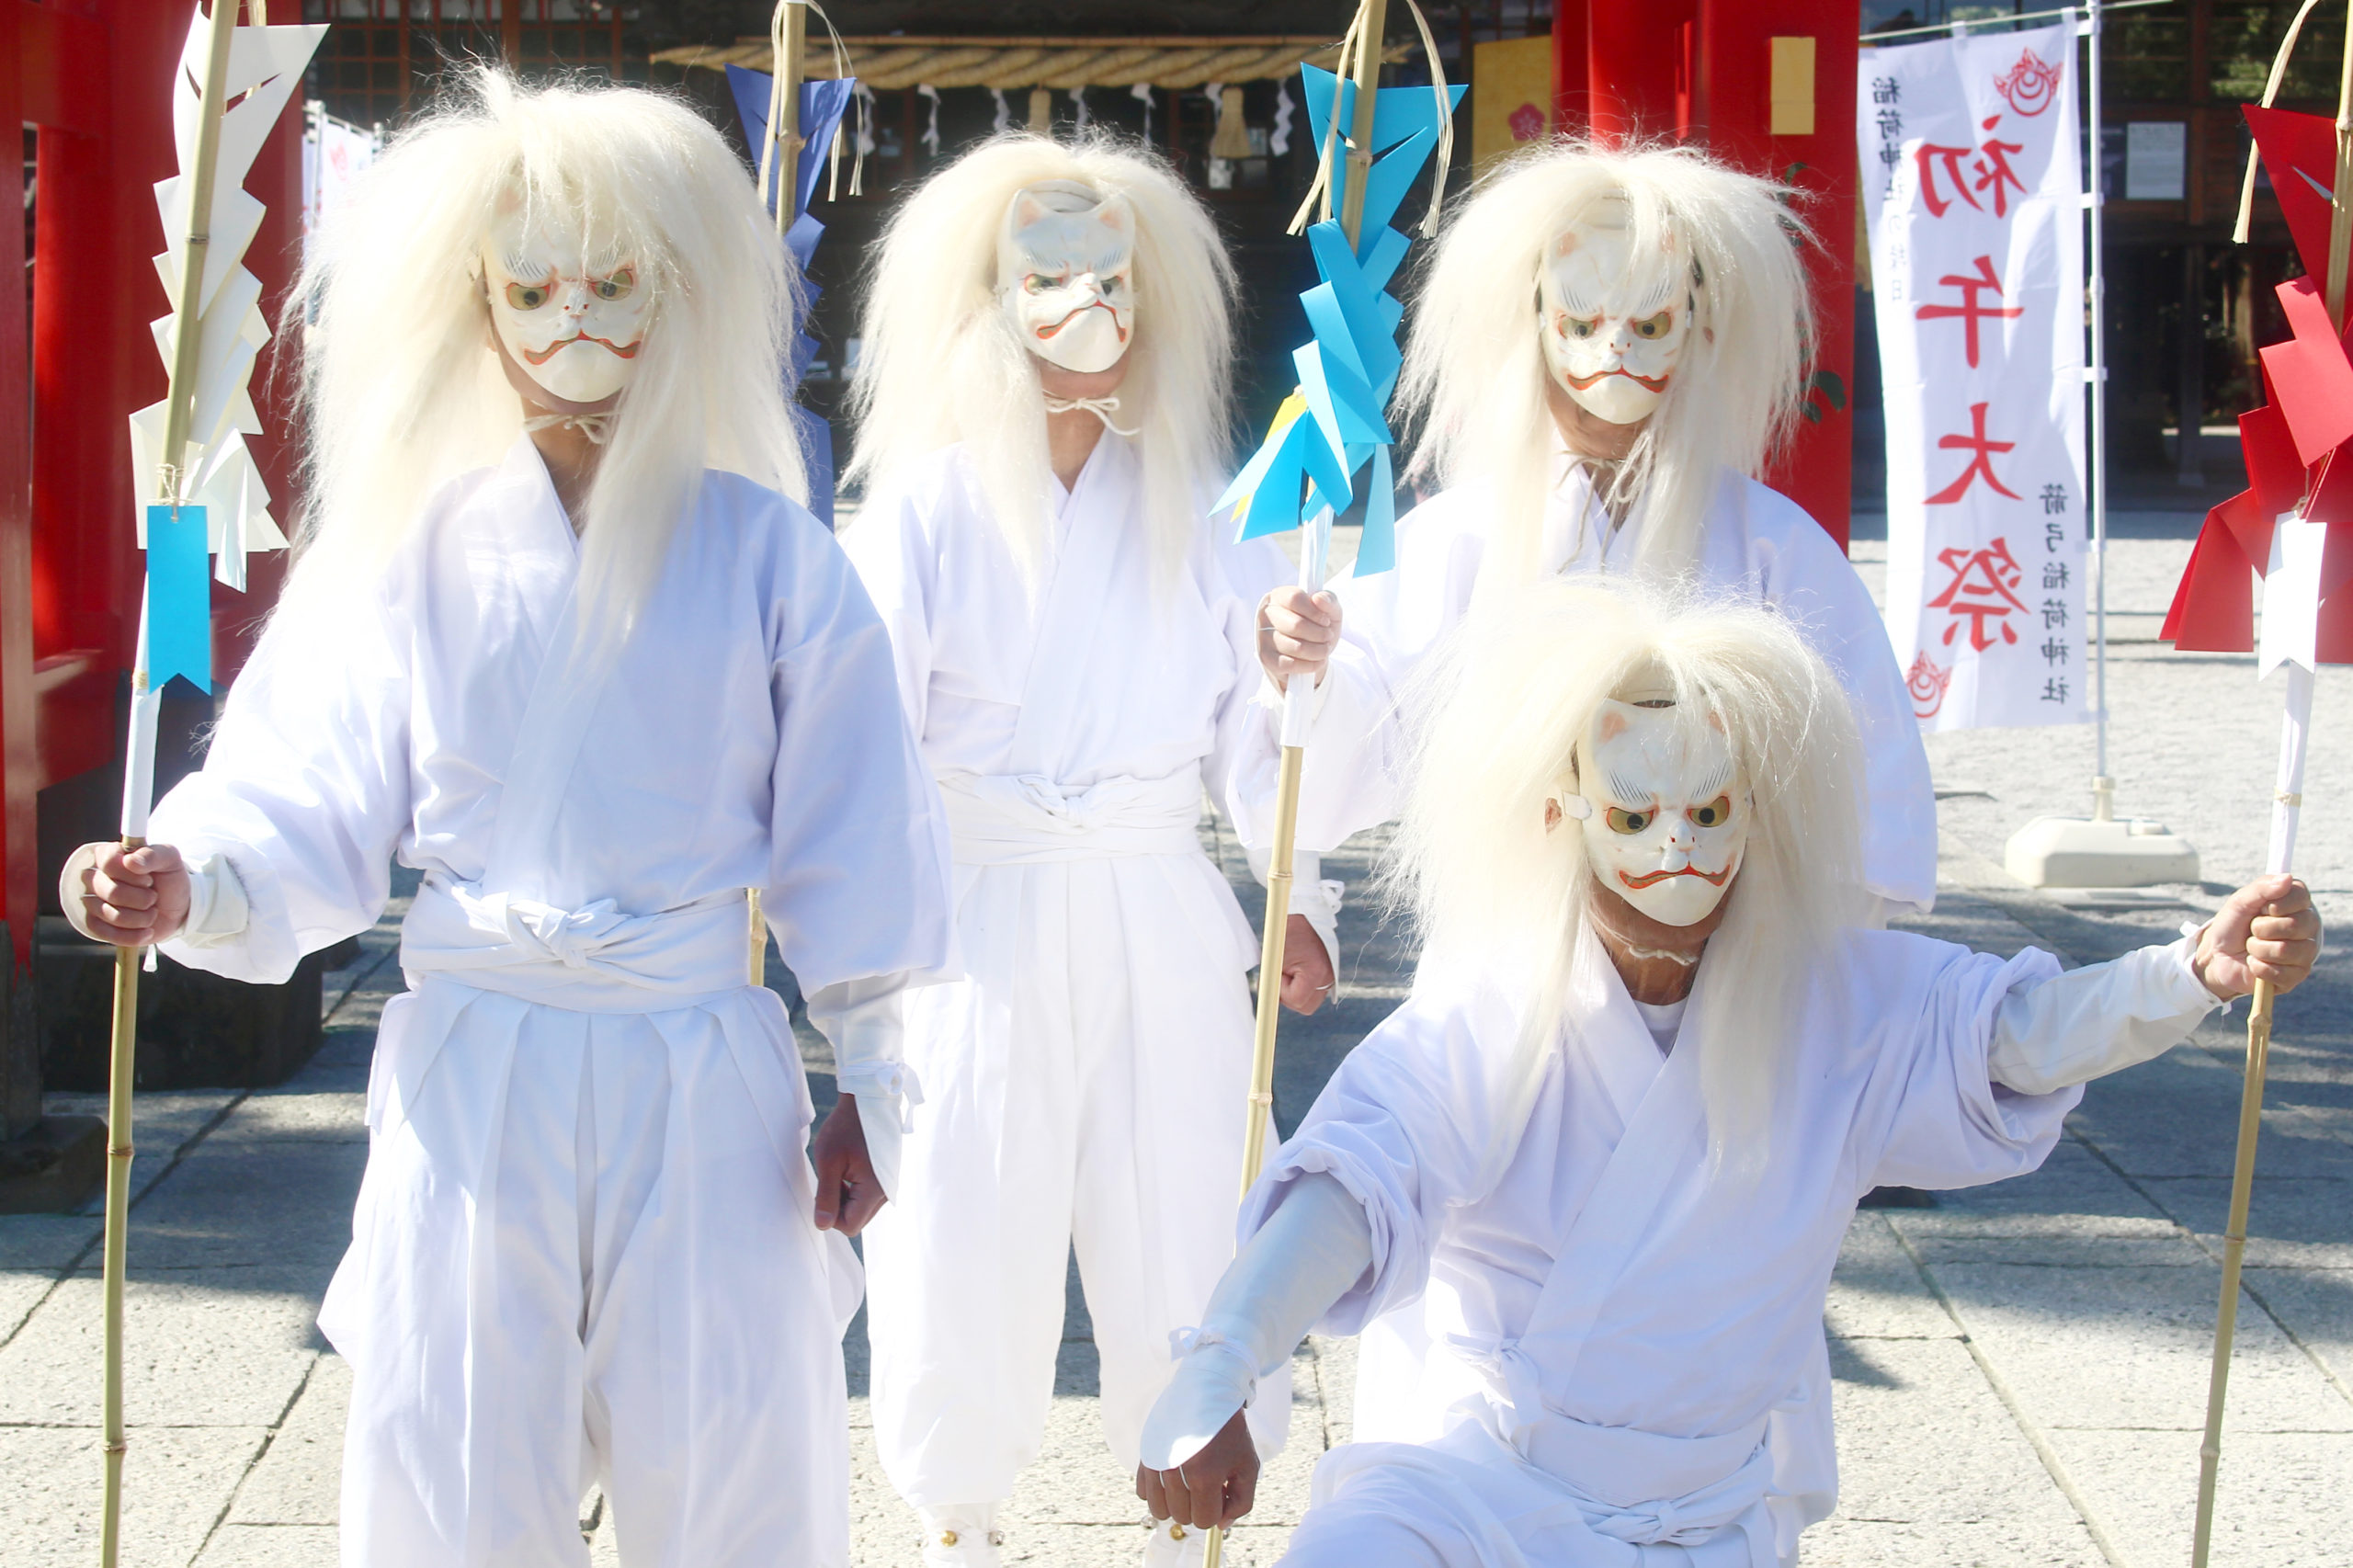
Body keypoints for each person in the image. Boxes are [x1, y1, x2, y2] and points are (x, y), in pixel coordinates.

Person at [61, 72, 952, 1568]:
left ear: (672, 295)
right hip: (480, 1066)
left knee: (734, 1454)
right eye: (532, 286)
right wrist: (192, 873)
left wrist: (873, 1062)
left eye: (612, 284)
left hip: (699, 1062)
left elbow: (853, 822)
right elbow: (304, 783)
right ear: (477, 304)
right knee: (450, 1456)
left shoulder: (770, 558)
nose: (574, 321)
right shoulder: (409, 552)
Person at [1135, 581, 2319, 1567]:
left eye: (1709, 811)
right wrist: (1225, 1359)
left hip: (1704, 1518)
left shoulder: (1835, 1000)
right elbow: (1354, 1186)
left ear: (1758, 814)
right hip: (1476, 1488)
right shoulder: (1493, 1010)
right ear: (1563, 815)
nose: (1680, 849)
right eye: (1636, 814)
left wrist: (2189, 972)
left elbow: (2012, 1034)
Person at [837, 133, 1334, 1567]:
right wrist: (848, 984)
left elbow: (1255, 727)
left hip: (1153, 896)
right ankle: (954, 1515)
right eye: (1050, 280)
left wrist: (1291, 882)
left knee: (1183, 1195)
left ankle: (1191, 1486)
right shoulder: (922, 510)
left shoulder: (1193, 503)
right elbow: (860, 754)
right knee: (960, 1220)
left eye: (1113, 280)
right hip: (975, 903)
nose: (1086, 310)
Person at [1254, 140, 1938, 923]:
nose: (1615, 353)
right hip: (1509, 939)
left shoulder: (1774, 548)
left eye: (1649, 323)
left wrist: (1834, 960)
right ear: (1534, 324)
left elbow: (1863, 774)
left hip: (1722, 952)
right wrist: (1303, 666)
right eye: (1582, 322)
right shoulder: (1453, 537)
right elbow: (1351, 740)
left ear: (1695, 329)